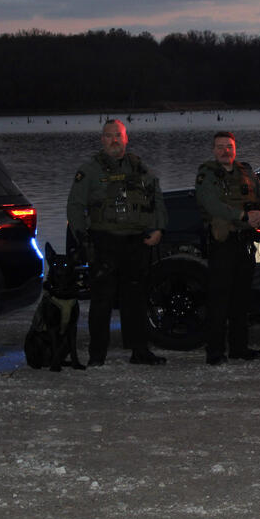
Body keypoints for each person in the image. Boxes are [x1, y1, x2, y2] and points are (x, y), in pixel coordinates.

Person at [67, 119, 168, 366]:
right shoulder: (90, 170)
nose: (114, 140)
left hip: (136, 243)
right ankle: (97, 355)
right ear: (102, 139)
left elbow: (156, 197)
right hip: (105, 243)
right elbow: (75, 206)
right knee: (102, 301)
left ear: (126, 138)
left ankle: (139, 351)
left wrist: (158, 228)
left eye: (118, 136)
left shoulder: (139, 167)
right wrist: (82, 236)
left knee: (136, 299)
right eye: (109, 136)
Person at [195, 131, 260, 366]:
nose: (224, 151)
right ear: (213, 150)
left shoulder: (246, 172)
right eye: (220, 147)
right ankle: (215, 352)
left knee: (241, 298)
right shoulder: (207, 174)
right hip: (224, 244)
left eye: (228, 147)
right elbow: (210, 203)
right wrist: (242, 215)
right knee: (219, 300)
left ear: (235, 149)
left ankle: (239, 348)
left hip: (247, 242)